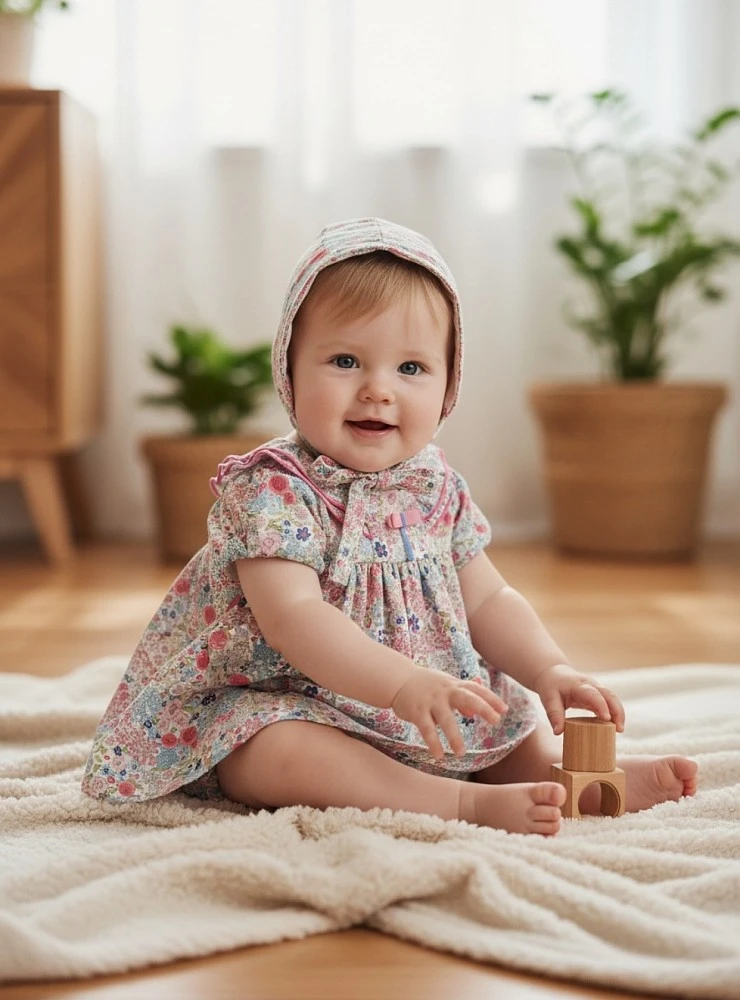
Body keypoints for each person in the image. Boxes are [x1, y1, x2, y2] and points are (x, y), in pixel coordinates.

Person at [82, 218, 698, 835]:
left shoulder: (433, 485)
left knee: (496, 708)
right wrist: (402, 683)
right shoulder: (273, 489)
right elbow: (293, 618)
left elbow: (487, 597)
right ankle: (459, 803)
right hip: (298, 700)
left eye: (411, 368)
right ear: (290, 371)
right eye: (345, 361)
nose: (378, 390)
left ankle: (563, 778)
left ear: (448, 385)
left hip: (429, 701)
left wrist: (549, 670)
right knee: (273, 753)